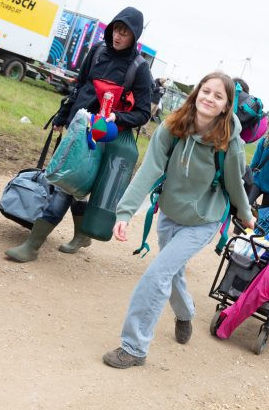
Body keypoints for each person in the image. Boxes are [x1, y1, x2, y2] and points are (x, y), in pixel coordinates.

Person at [102, 72, 255, 368]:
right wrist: (125, 211)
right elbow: (150, 169)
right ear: (197, 93)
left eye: (218, 96)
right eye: (206, 91)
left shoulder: (229, 143)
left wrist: (246, 214)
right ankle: (185, 313)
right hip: (171, 212)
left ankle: (134, 347)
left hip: (204, 219)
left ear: (226, 106)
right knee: (171, 272)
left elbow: (235, 183)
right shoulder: (173, 127)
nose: (209, 98)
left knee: (157, 274)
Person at [5, 7, 153, 263]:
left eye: (125, 33)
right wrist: (62, 117)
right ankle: (81, 236)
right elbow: (80, 87)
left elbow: (142, 113)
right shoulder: (97, 51)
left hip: (101, 140)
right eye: (117, 29)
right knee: (76, 187)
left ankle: (32, 245)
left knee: (63, 185)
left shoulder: (139, 68)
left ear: (135, 36)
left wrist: (116, 117)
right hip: (76, 131)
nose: (118, 36)